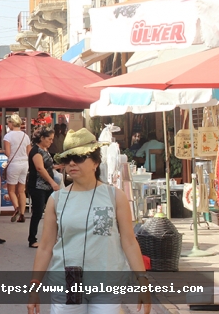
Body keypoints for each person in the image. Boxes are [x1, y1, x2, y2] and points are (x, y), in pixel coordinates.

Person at [28, 129, 150, 314]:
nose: (71, 163)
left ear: (95, 162)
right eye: (67, 159)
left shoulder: (115, 196)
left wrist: (142, 281)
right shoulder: (57, 199)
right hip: (68, 280)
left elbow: (129, 241)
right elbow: (45, 246)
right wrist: (34, 287)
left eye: (78, 158)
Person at [27, 126, 60, 248]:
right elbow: (40, 168)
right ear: (41, 138)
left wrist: (58, 166)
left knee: (53, 211)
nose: (51, 141)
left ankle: (53, 238)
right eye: (49, 139)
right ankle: (32, 239)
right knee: (38, 213)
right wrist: (52, 182)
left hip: (46, 186)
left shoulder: (44, 149)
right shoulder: (36, 151)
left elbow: (47, 167)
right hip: (38, 186)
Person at [3, 114, 31, 223]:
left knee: (11, 190)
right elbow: (29, 152)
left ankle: (17, 208)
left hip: (14, 164)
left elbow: (8, 153)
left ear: (11, 123)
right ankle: (23, 214)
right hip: (25, 164)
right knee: (21, 191)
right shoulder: (26, 136)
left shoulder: (8, 136)